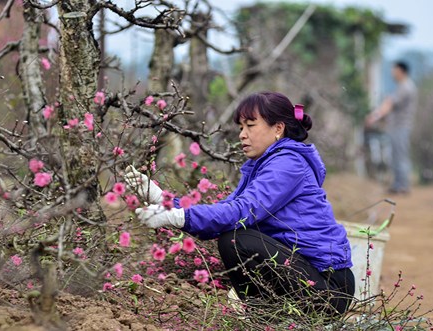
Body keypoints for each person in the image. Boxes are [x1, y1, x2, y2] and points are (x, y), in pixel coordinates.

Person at [128, 92, 355, 316]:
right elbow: (226, 210)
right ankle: (270, 318)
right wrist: (164, 200)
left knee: (237, 240)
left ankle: (268, 318)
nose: (242, 135)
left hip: (329, 289)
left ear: (278, 128)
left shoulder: (288, 164)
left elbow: (240, 212)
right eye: (240, 128)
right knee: (235, 236)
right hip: (308, 277)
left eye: (251, 125)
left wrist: (178, 217)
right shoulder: (265, 165)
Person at [365, 61, 418, 194]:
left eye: (394, 70)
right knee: (396, 155)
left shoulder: (406, 87)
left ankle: (403, 186)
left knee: (400, 156)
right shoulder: (403, 86)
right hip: (397, 127)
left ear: (401, 71)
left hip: (401, 127)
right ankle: (398, 185)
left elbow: (389, 104)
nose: (392, 73)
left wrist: (374, 116)